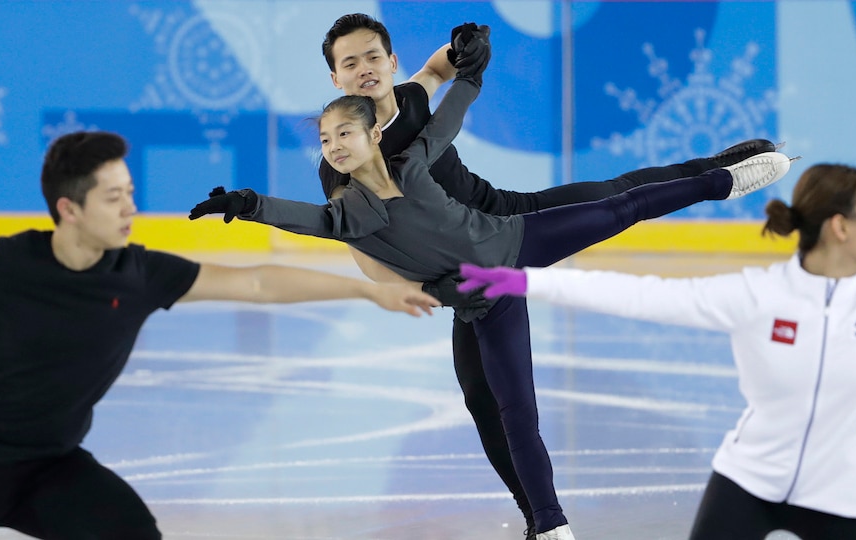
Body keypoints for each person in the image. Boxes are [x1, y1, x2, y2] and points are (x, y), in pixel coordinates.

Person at [189, 26, 792, 538]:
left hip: (507, 218)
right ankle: (542, 521)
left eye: (374, 56)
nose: (365, 68)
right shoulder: (338, 169)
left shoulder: (411, 102)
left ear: (389, 63)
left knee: (613, 197)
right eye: (351, 63)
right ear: (336, 81)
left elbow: (444, 73)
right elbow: (362, 248)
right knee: (487, 403)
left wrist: (467, 48)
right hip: (469, 276)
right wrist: (431, 289)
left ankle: (718, 170)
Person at [0, 130, 440, 540]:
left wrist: (367, 290)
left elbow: (255, 283)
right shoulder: (4, 265)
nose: (132, 208)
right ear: (69, 209)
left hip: (49, 465)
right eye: (113, 198)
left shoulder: (137, 274)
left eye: (129, 192)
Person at [457, 163, 856, 540]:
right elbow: (641, 295)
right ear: (840, 226)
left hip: (842, 495)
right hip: (747, 484)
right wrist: (526, 280)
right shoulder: (758, 295)